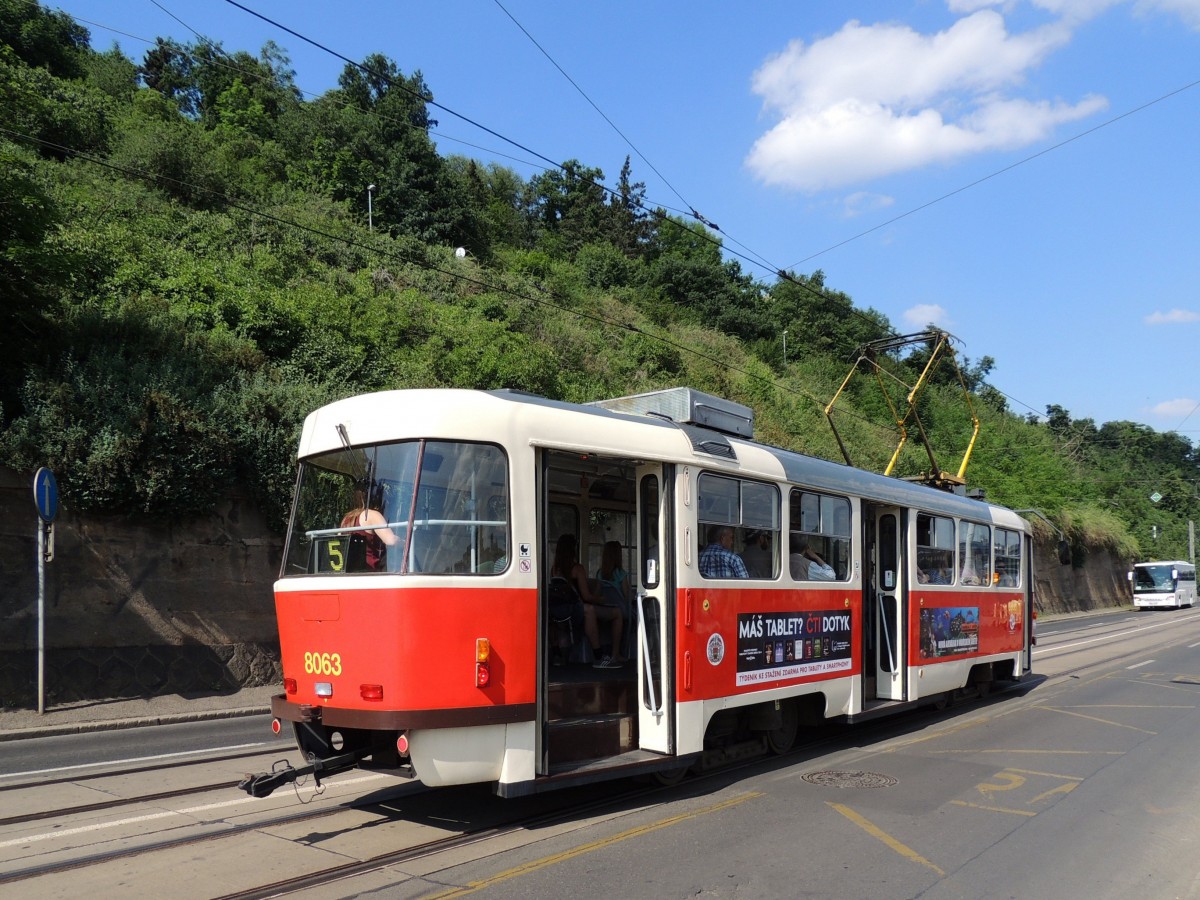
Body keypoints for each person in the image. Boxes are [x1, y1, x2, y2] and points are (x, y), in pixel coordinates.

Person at [553, 534, 624, 668]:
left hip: (560, 611)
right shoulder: (577, 569)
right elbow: (586, 597)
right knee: (616, 613)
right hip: (576, 610)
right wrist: (601, 599)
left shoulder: (554, 569)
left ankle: (558, 655)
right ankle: (603, 655)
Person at [340, 479, 398, 571]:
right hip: (371, 572)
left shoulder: (347, 518)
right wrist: (406, 543)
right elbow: (391, 541)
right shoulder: (372, 515)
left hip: (351, 571)